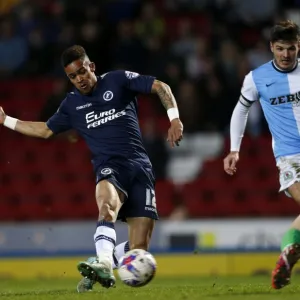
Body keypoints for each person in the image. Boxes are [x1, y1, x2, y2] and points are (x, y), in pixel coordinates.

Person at [0, 45, 183, 292]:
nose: (79, 80)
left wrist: (174, 118)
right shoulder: (72, 105)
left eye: (82, 72)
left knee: (139, 251)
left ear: (91, 66)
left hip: (140, 167)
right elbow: (44, 130)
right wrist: (5, 120)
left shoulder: (118, 80)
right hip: (109, 167)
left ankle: (99, 261)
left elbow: (162, 87)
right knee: (106, 207)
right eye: (72, 77)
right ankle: (106, 263)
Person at [223, 20, 300, 290]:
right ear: (271, 48)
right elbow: (241, 110)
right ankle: (289, 252)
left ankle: (289, 252)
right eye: (280, 48)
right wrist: (234, 149)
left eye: (291, 48)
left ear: (298, 46)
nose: (286, 54)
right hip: (290, 156)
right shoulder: (256, 78)